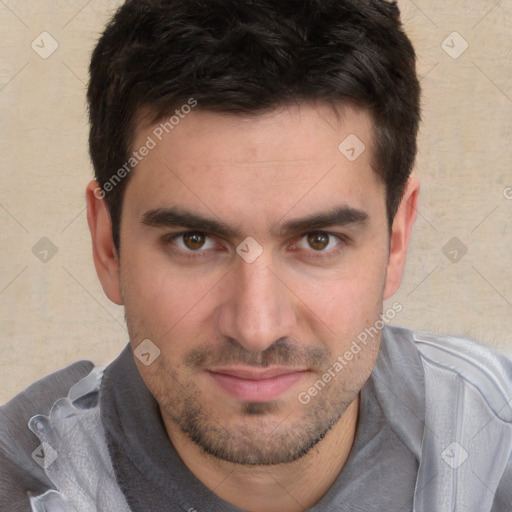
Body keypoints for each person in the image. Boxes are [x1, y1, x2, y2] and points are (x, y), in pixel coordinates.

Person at [1, 0, 511, 510]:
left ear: (396, 239)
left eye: (318, 241)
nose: (256, 327)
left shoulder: (495, 441)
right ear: (107, 245)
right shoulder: (26, 485)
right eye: (194, 241)